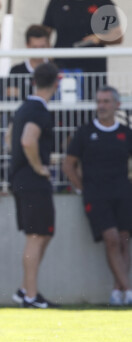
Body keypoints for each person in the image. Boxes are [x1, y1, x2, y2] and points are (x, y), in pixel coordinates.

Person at [62, 86, 132, 306]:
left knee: (123, 240)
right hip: (96, 194)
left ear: (117, 105)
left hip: (122, 192)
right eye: (99, 101)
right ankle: (128, 289)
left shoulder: (126, 133)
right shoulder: (85, 132)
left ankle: (117, 291)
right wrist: (82, 187)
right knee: (110, 239)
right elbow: (68, 164)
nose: (101, 106)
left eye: (106, 102)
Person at [9, 62, 60, 308]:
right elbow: (28, 140)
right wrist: (39, 167)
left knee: (44, 233)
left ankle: (24, 290)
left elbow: (12, 136)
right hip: (32, 180)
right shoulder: (38, 110)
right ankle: (30, 295)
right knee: (36, 236)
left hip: (23, 180)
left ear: (33, 81)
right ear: (56, 83)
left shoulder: (24, 107)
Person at [42, 0, 123, 100]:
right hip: (62, 68)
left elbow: (117, 36)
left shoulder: (102, 2)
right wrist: (48, 54)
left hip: (93, 70)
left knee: (92, 106)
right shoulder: (57, 2)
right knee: (62, 108)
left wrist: (99, 38)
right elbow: (43, 34)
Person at [7, 25, 51, 101]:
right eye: (35, 47)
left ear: (48, 45)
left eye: (42, 47)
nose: (39, 51)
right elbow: (10, 93)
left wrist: (23, 93)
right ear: (27, 45)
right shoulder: (16, 70)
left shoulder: (56, 68)